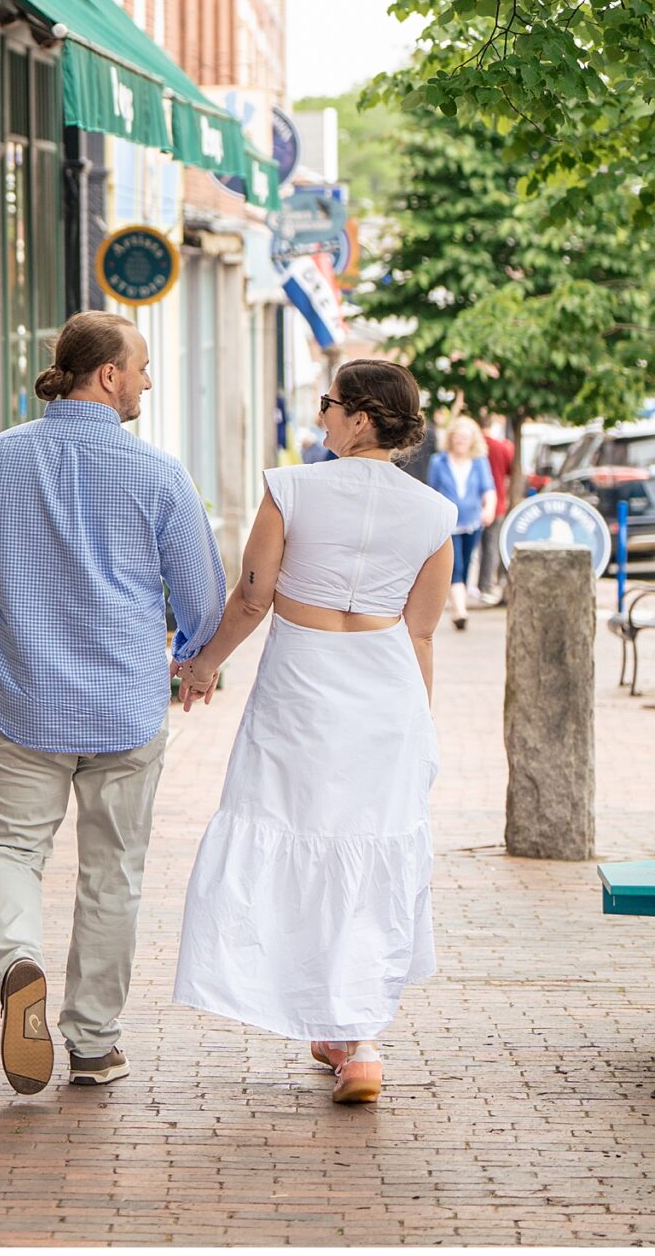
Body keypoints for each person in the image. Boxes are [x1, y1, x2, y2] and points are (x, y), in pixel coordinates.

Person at [0, 312, 225, 1096]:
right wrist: (192, 657)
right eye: (139, 367)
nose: (145, 381)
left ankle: (17, 963)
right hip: (126, 708)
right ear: (107, 374)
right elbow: (203, 595)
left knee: (8, 851)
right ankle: (94, 1043)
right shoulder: (159, 474)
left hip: (25, 699)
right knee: (113, 873)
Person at [169, 358, 453, 1104]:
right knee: (365, 849)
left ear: (360, 417)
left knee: (290, 833)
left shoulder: (290, 488)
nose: (320, 415)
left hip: (302, 691)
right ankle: (355, 1037)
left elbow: (254, 597)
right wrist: (419, 729)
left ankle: (328, 1019)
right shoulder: (431, 513)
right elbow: (420, 634)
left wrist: (203, 666)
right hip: (386, 695)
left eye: (329, 404)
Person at [426, 416, 497, 630]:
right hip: (449, 524)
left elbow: (488, 489)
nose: (460, 442)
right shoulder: (439, 461)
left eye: (465, 438)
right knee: (455, 566)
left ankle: (457, 607)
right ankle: (461, 611)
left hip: (472, 522)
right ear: (451, 439)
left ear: (472, 441)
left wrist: (489, 508)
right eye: (457, 438)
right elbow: (432, 491)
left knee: (465, 565)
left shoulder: (479, 462)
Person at [478, 417, 515, 600]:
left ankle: (464, 586)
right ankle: (485, 586)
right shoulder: (501, 447)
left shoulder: (474, 447)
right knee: (490, 547)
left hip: (473, 505)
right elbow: (510, 470)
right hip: (498, 501)